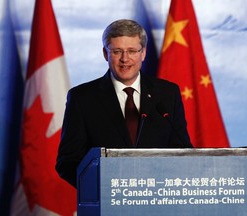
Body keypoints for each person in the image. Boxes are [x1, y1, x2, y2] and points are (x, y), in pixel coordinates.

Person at [56, 19, 193, 188]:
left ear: (143, 53)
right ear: (105, 54)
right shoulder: (82, 98)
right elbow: (67, 161)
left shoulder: (167, 94)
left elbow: (183, 152)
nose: (125, 59)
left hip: (158, 200)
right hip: (106, 202)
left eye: (132, 51)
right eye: (117, 51)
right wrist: (102, 188)